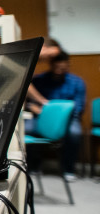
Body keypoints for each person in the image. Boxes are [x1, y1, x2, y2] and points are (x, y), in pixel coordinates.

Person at [26, 50, 86, 180]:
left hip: (68, 119)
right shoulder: (39, 80)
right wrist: (35, 108)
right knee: (27, 129)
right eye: (56, 66)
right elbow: (30, 103)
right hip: (40, 117)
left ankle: (68, 169)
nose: (59, 69)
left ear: (67, 65)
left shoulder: (77, 82)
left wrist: (58, 116)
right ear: (51, 65)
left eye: (62, 66)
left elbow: (79, 107)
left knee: (74, 133)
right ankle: (33, 166)